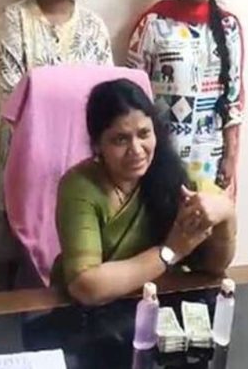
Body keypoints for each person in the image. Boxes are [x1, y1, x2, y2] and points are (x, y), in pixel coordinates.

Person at [53, 79, 237, 306]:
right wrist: (169, 252)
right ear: (97, 145)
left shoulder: (170, 173)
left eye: (144, 134)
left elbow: (215, 267)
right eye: (120, 139)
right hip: (84, 314)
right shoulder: (80, 186)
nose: (137, 150)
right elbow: (86, 286)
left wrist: (226, 215)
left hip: (157, 302)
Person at [0, 0, 114, 212]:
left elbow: (107, 94)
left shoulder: (94, 27)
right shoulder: (14, 21)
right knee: (23, 232)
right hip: (27, 156)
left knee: (76, 231)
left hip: (82, 157)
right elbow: (12, 98)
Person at [127, 0, 244, 197]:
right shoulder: (154, 23)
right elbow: (133, 96)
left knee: (206, 220)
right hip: (161, 156)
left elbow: (234, 101)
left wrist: (230, 157)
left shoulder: (228, 27)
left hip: (210, 159)